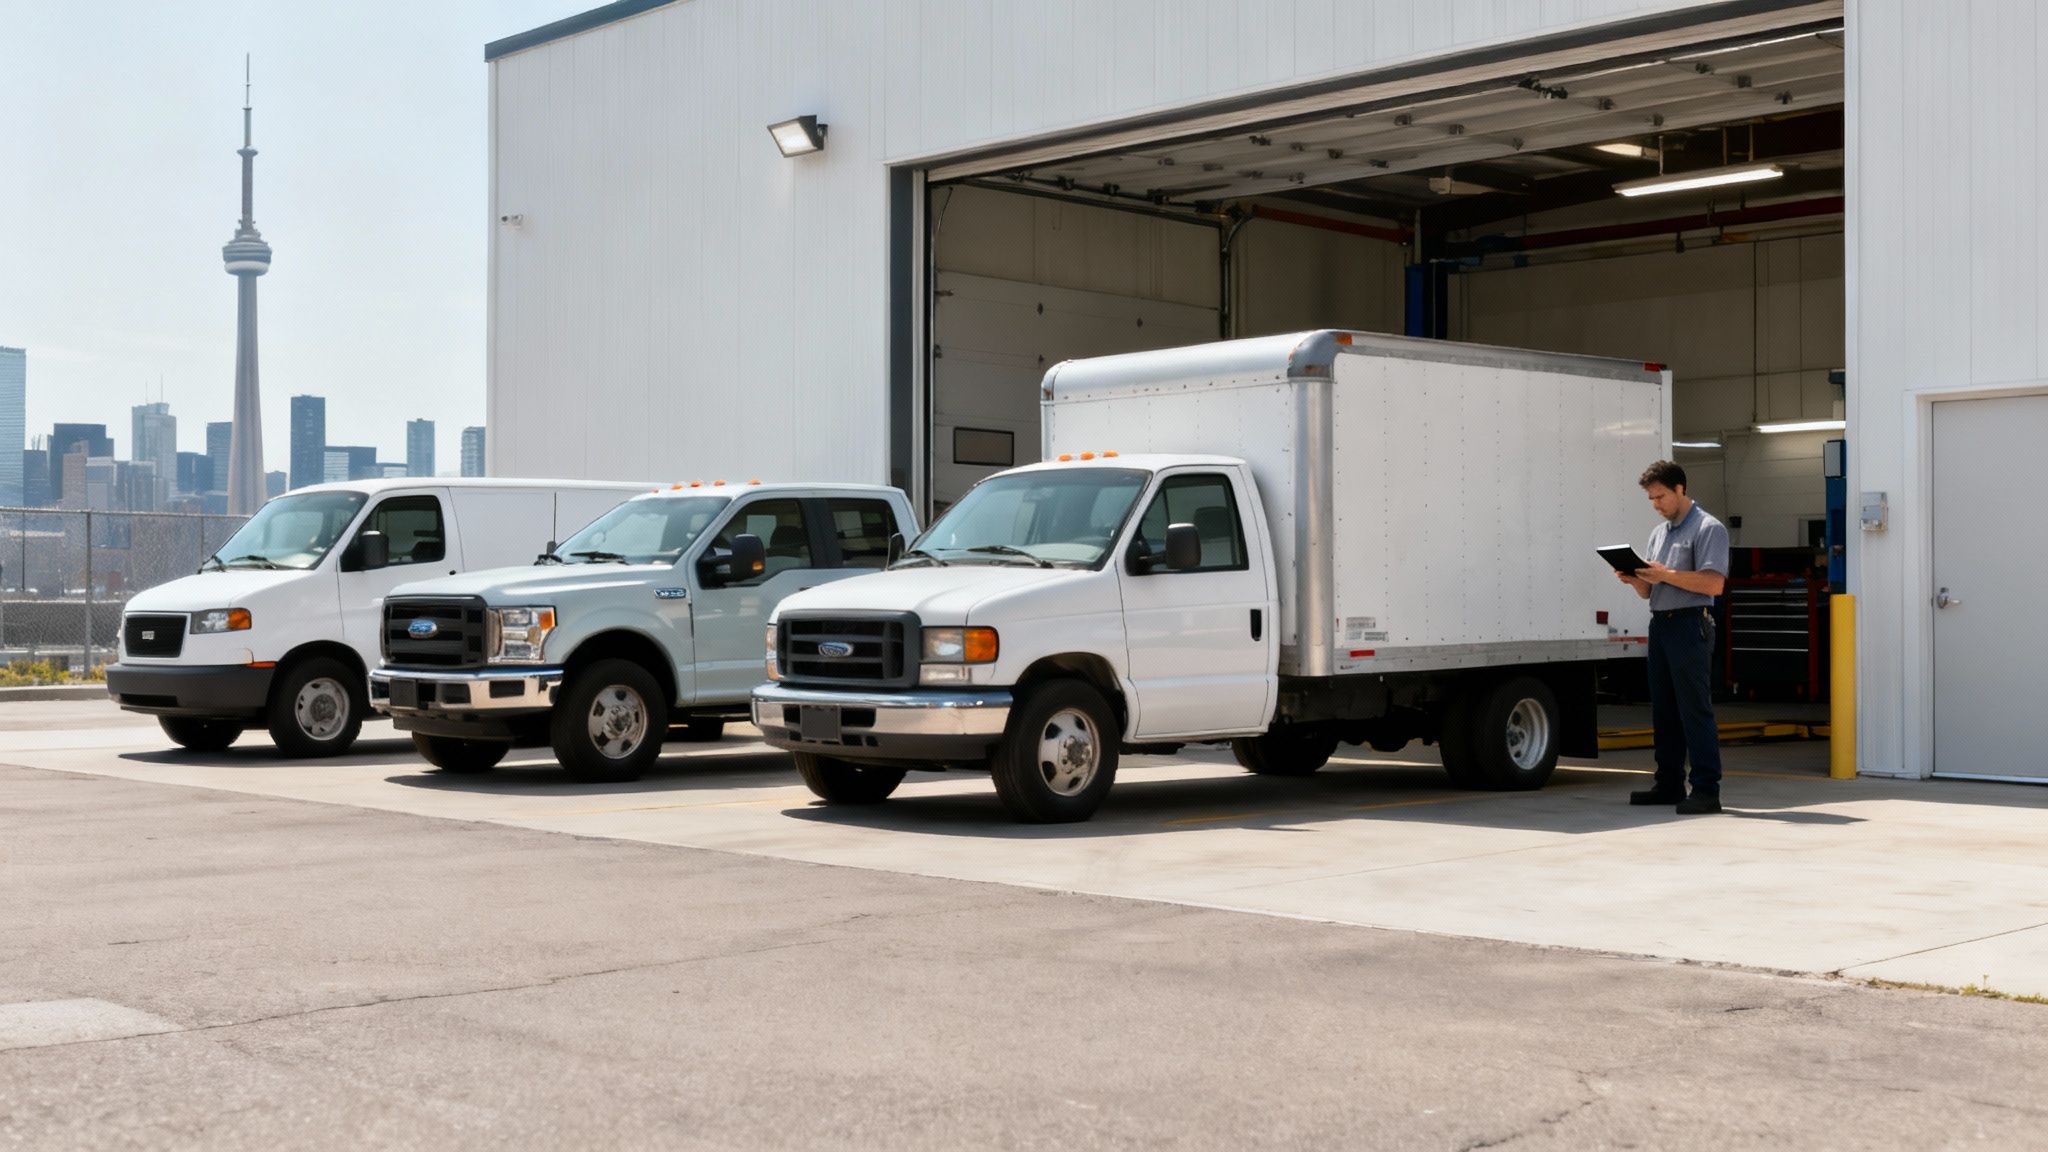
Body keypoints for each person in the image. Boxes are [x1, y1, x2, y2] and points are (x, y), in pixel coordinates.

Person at [1616, 460, 1730, 814]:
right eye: (1651, 499)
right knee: (1664, 710)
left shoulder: (1709, 528)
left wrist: (1666, 574)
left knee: (1694, 709)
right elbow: (1651, 592)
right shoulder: (1658, 533)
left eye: (1661, 496)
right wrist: (1637, 580)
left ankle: (1707, 790)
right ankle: (1668, 784)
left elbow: (1713, 583)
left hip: (1690, 624)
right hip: (1660, 624)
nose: (1657, 505)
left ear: (1680, 489)